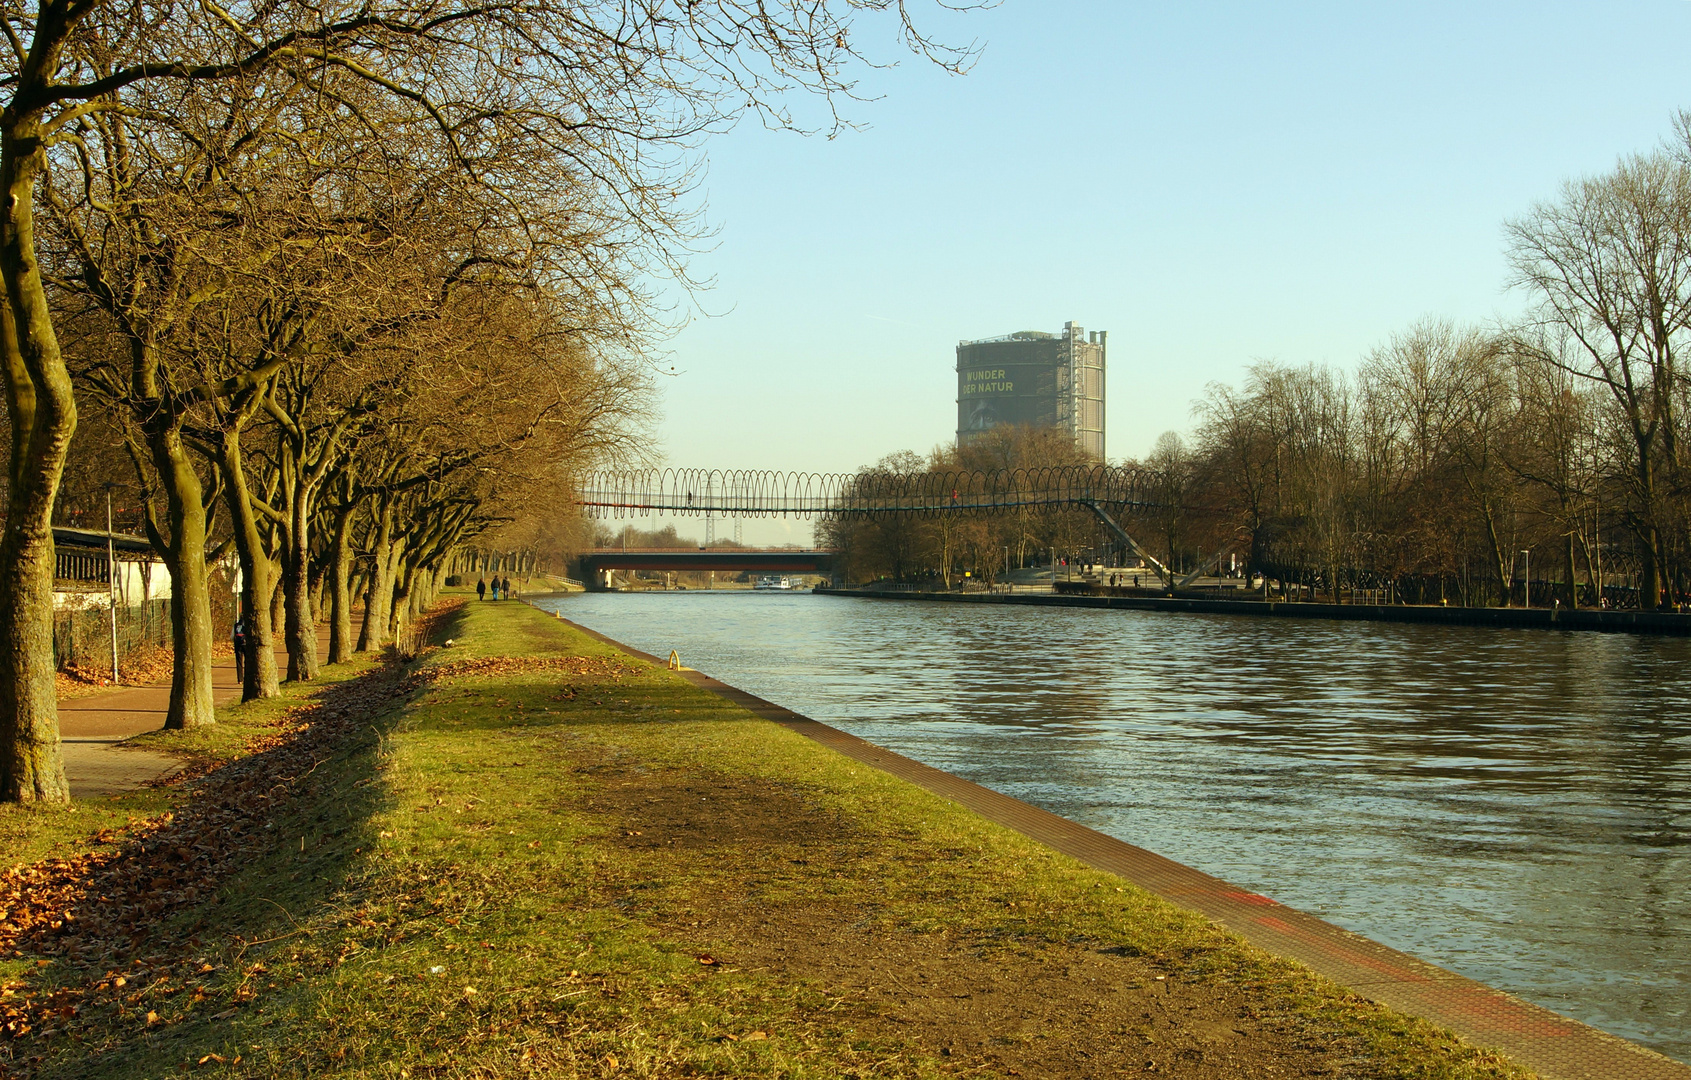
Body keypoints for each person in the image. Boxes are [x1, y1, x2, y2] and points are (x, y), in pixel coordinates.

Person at [232, 614, 247, 682]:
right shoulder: (247, 626)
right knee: (247, 661)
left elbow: (232, 636)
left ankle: (240, 679)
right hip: (246, 644)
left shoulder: (236, 625)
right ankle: (247, 677)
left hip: (238, 644)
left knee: (239, 662)